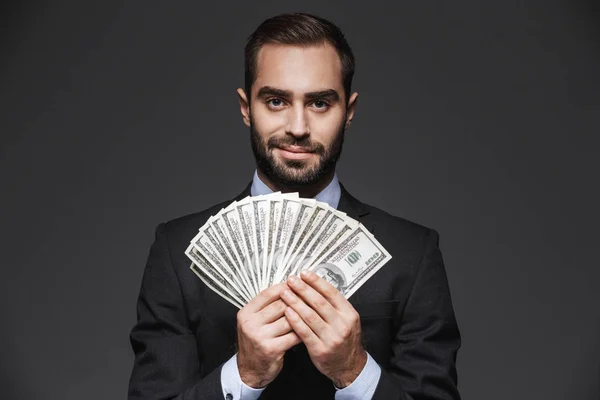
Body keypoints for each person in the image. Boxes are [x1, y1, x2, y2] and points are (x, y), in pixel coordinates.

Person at [128, 12, 461, 400]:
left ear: (348, 112)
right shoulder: (177, 252)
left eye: (320, 103)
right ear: (245, 107)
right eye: (275, 101)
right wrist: (243, 374)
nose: (298, 127)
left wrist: (354, 371)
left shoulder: (412, 253)